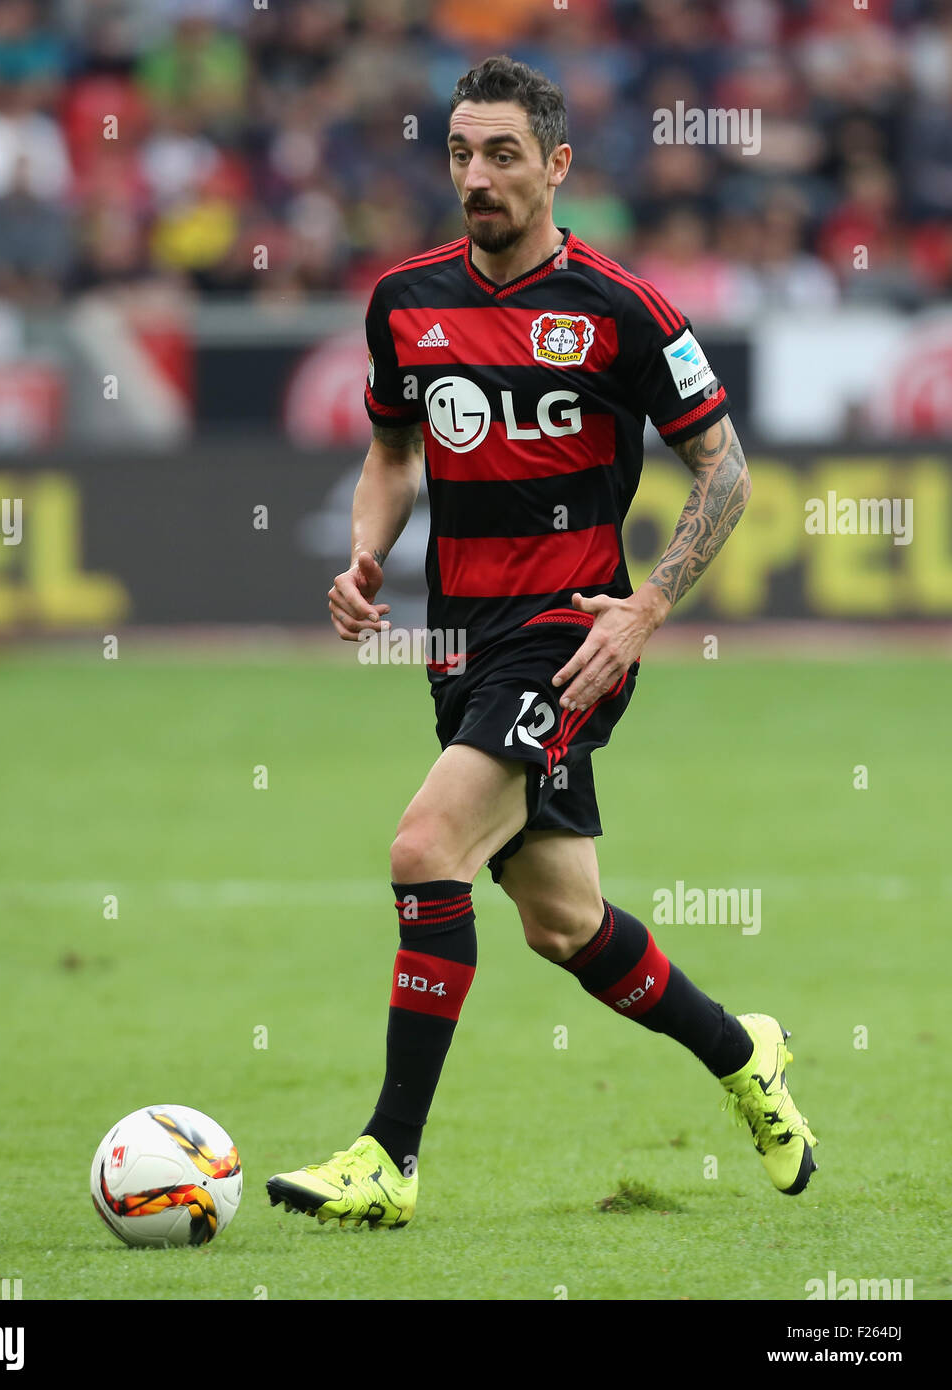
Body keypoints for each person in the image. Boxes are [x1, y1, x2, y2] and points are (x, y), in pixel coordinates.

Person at [267, 55, 817, 1229]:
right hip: (457, 638)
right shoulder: (403, 303)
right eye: (461, 152)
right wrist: (366, 554)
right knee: (564, 921)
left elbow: (724, 473)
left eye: (502, 153)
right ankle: (742, 1052)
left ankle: (387, 1158)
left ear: (556, 165)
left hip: (569, 637)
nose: (476, 174)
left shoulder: (621, 310)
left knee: (426, 847)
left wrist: (646, 607)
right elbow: (389, 452)